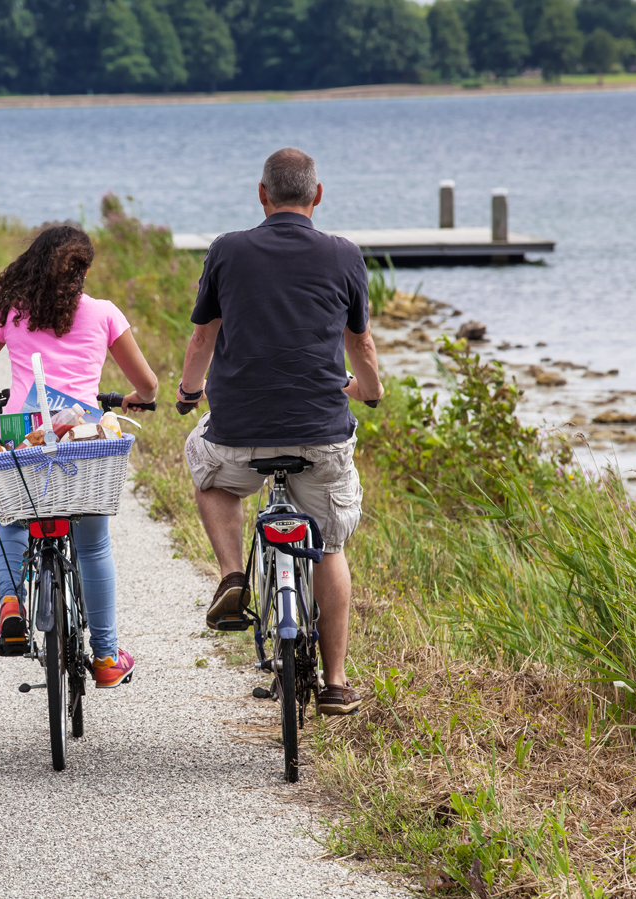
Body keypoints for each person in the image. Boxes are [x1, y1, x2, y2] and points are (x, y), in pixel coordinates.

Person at [177, 147, 382, 716]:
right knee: (330, 546)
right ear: (317, 195)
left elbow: (202, 339)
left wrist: (189, 393)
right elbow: (359, 343)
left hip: (239, 430)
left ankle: (233, 574)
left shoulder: (228, 250)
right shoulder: (343, 254)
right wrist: (371, 389)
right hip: (320, 434)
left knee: (209, 472)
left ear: (262, 195)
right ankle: (336, 682)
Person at [0, 223, 159, 688]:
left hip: (24, 431)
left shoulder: (12, 312)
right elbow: (148, 386)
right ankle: (106, 657)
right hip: (82, 435)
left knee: (9, 512)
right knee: (93, 545)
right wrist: (131, 398)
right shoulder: (105, 314)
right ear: (83, 271)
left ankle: (11, 605)